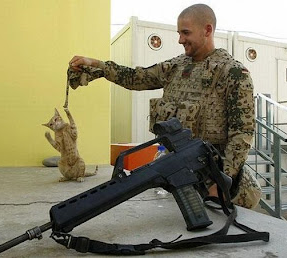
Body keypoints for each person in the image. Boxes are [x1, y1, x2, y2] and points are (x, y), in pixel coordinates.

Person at [67, 4, 261, 209]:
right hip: (176, 167)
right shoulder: (175, 67)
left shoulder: (233, 73)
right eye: (179, 33)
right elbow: (136, 78)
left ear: (207, 30)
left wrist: (223, 182)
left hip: (212, 173)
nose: (180, 40)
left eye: (186, 33)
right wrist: (97, 65)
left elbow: (242, 132)